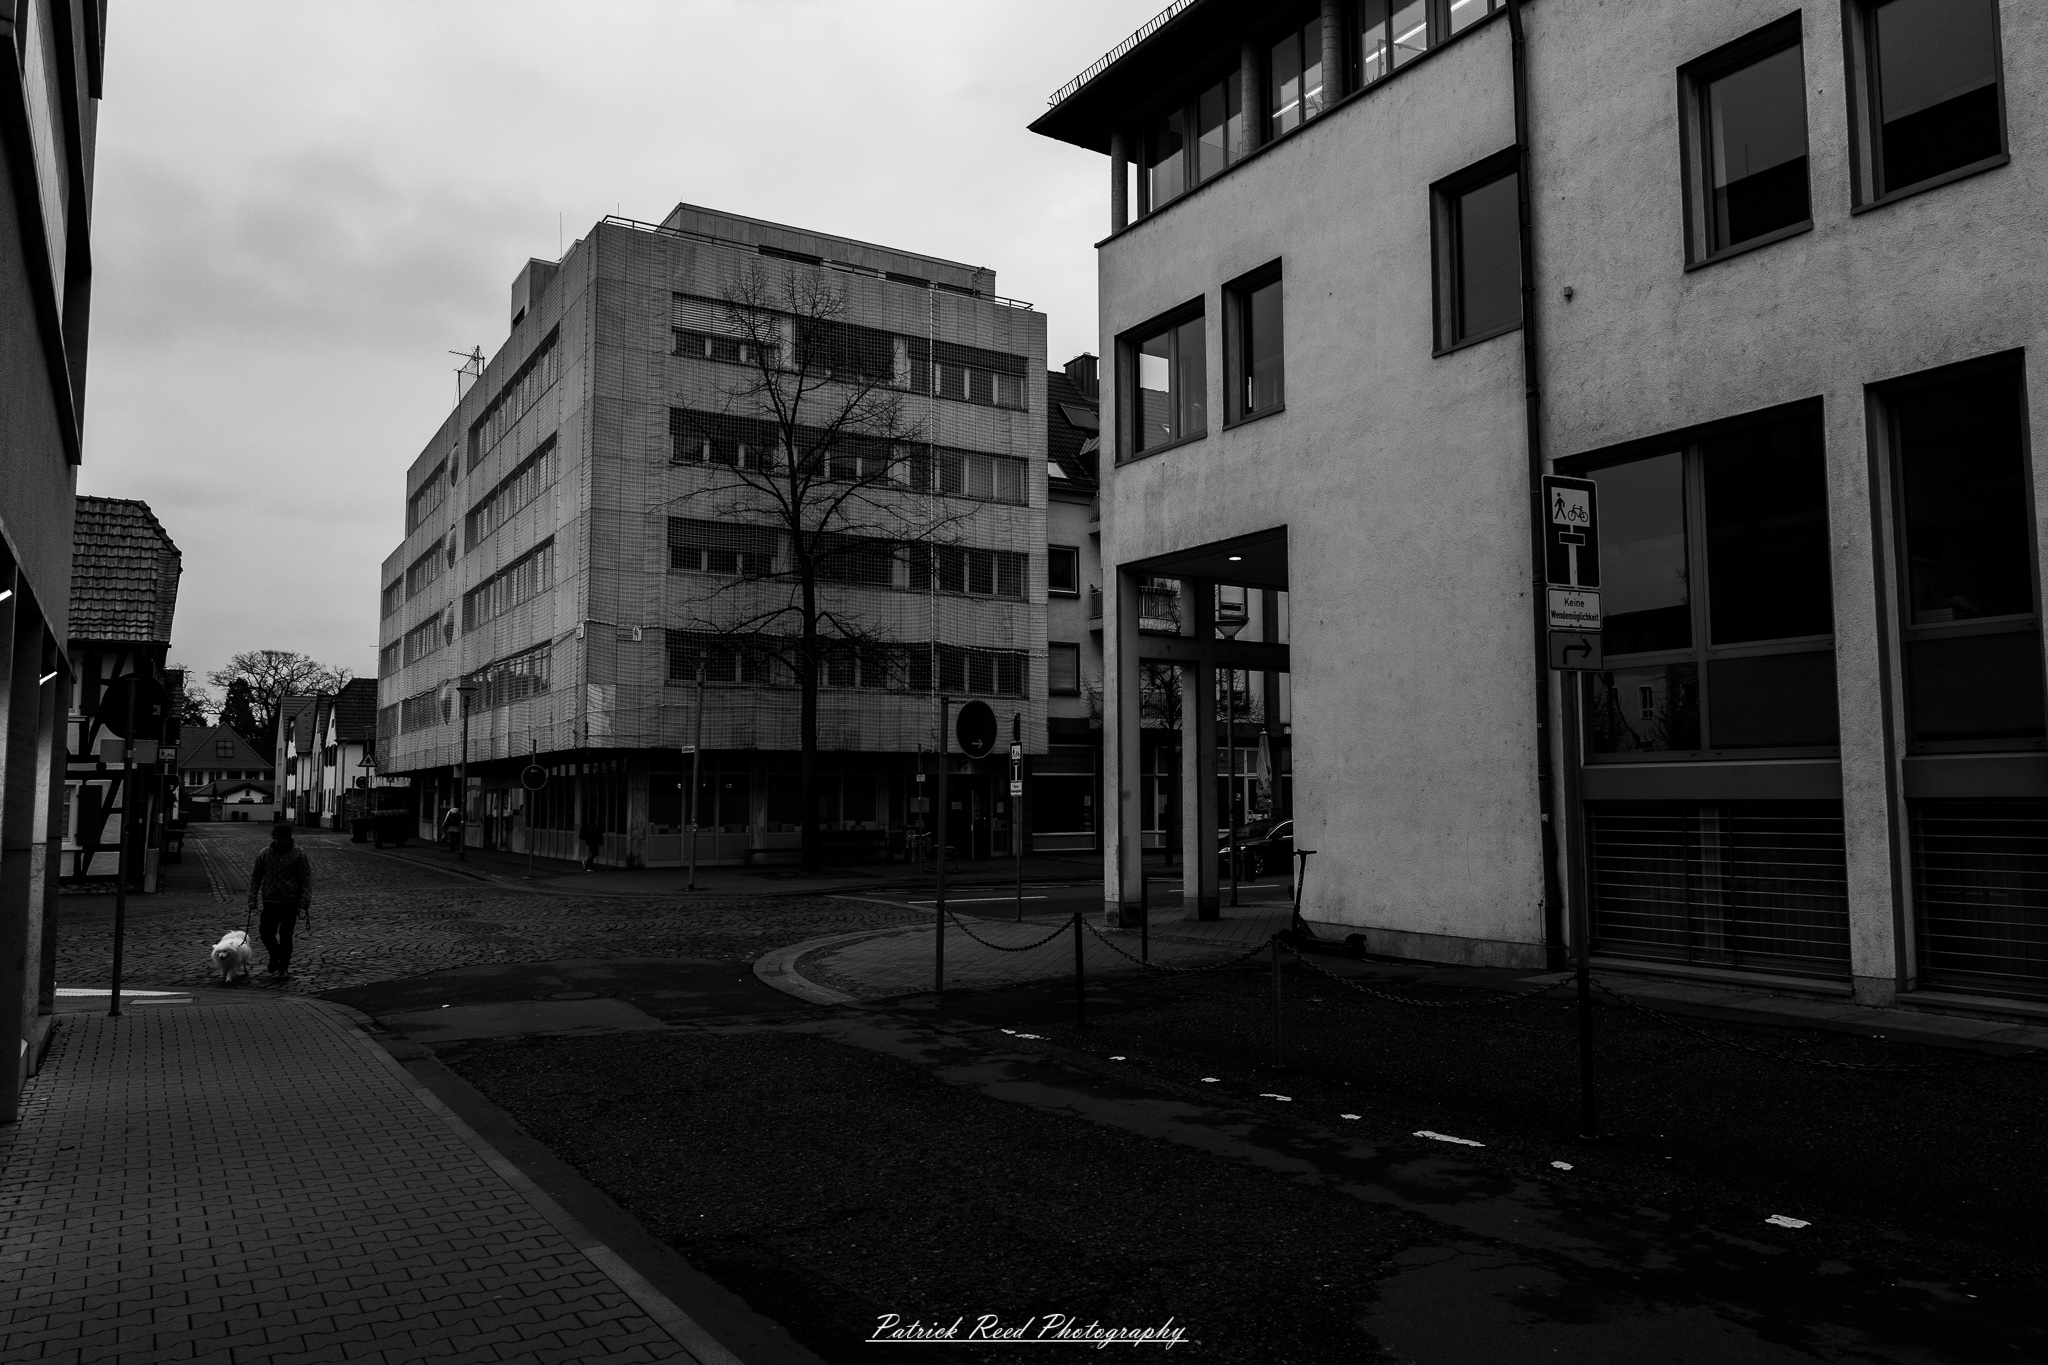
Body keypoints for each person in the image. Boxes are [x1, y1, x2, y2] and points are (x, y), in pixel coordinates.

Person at [248, 823, 313, 978]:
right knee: (265, 934)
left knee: (286, 936)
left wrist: (305, 900)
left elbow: (305, 878)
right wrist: (252, 898)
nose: (277, 841)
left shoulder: (298, 854)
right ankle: (275, 955)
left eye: (280, 838)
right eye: (275, 838)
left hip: (290, 901)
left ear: (288, 838)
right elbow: (256, 876)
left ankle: (283, 966)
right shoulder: (265, 854)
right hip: (269, 901)